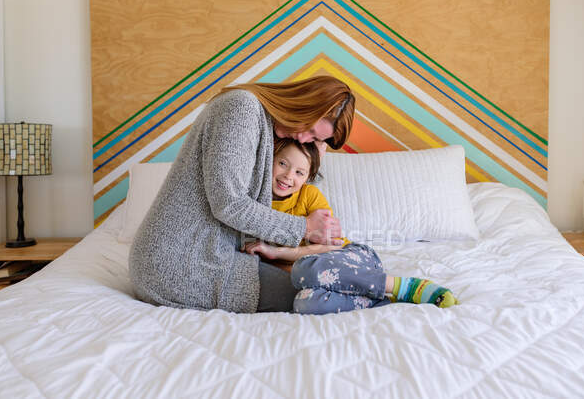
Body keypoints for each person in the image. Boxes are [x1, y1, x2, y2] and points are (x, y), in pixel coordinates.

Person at [129, 76, 355, 313]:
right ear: (300, 103)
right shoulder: (241, 108)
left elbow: (297, 180)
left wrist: (317, 148)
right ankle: (389, 293)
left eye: (314, 138)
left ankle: (388, 289)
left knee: (330, 282)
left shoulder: (268, 127)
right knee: (322, 295)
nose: (302, 139)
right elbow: (229, 203)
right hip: (179, 261)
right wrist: (305, 228)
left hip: (211, 255)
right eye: (308, 129)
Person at [243, 138, 459, 315]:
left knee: (304, 268)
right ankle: (379, 303)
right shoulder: (252, 203)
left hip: (351, 258)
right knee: (304, 304)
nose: (288, 176)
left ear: (308, 177)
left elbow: (331, 247)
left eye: (299, 172)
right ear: (269, 160)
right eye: (282, 164)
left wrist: (279, 252)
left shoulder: (309, 195)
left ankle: (403, 286)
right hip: (319, 283)